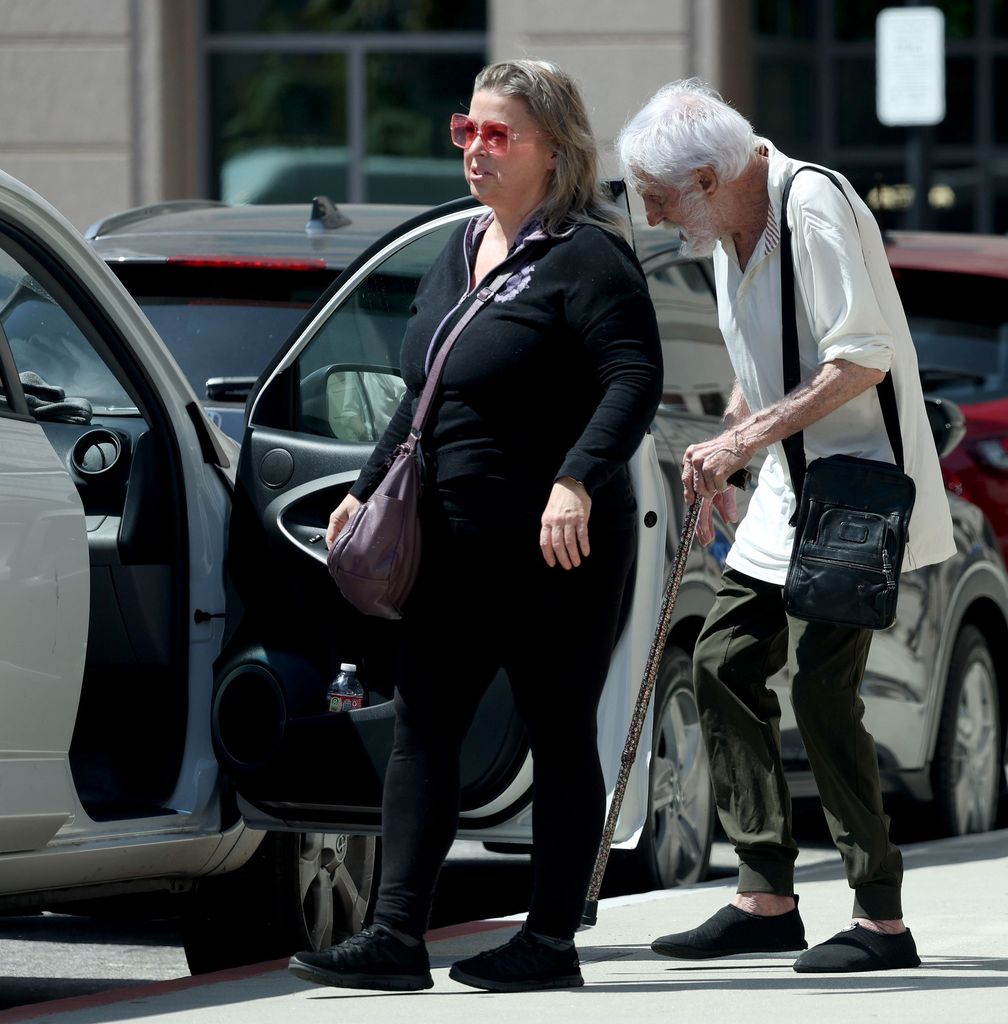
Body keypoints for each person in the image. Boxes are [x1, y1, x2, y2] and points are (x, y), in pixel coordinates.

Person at [288, 59, 663, 994]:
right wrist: (365, 486)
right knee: (423, 728)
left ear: (555, 150)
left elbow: (633, 380)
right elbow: (423, 395)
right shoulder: (456, 249)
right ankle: (396, 938)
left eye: (500, 135)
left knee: (558, 728)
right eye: (467, 131)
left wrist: (577, 477)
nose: (476, 152)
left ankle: (548, 944)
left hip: (557, 546)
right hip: (453, 543)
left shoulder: (588, 254)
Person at [617, 79, 954, 974]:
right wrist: (738, 439)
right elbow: (759, 365)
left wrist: (746, 437)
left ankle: (881, 918)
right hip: (786, 492)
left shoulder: (809, 206)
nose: (654, 217)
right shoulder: (725, 225)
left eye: (659, 198)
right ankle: (764, 894)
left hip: (858, 492)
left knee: (820, 689)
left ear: (706, 174)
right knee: (725, 660)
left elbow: (862, 359)